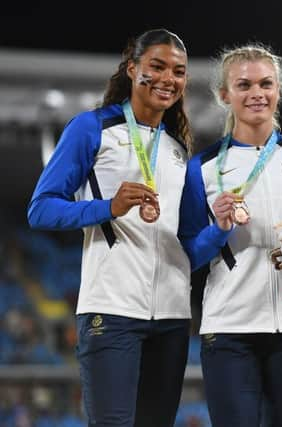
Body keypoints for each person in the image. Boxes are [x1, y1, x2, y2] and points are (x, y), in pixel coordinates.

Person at [27, 29, 193, 427]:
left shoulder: (178, 146)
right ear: (133, 68)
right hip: (112, 309)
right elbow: (41, 210)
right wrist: (107, 207)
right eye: (157, 66)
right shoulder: (91, 128)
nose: (168, 78)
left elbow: (182, 234)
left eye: (179, 71)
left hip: (172, 314)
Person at [178, 44, 282, 427]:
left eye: (266, 83)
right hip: (230, 328)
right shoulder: (203, 167)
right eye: (244, 85)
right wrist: (218, 230)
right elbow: (187, 256)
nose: (256, 94)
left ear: (278, 90)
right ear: (224, 95)